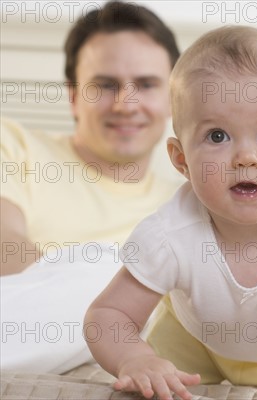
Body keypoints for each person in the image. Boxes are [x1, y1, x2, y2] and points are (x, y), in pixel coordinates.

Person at [85, 26, 257, 400]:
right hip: (191, 341)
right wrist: (135, 358)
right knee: (152, 389)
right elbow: (107, 317)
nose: (247, 157)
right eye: (218, 136)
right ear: (182, 160)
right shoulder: (170, 233)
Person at [0, 1, 181, 372]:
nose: (126, 105)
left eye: (146, 85)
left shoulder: (189, 204)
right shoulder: (13, 144)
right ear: (73, 96)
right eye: (105, 86)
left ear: (173, 99)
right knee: (112, 273)